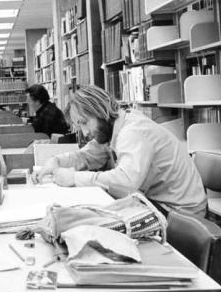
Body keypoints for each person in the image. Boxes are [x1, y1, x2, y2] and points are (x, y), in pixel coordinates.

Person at [32, 85, 207, 216]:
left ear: (100, 111)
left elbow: (126, 181)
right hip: (158, 203)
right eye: (79, 126)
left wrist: (74, 178)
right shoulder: (111, 127)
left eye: (84, 123)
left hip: (180, 214)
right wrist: (56, 161)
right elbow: (87, 156)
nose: (85, 133)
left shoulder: (132, 132)